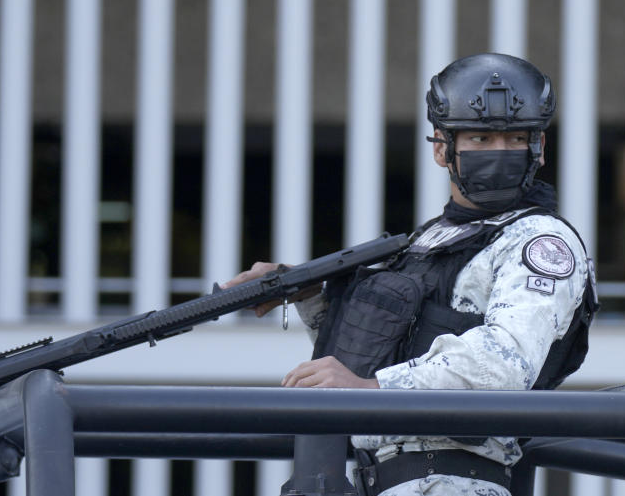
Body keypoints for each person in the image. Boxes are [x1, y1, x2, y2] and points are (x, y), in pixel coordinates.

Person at [224, 53, 598, 496]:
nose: (499, 151)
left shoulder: (540, 240)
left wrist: (375, 387)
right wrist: (304, 293)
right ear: (442, 147)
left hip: (459, 482)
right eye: (479, 138)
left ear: (539, 147)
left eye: (515, 137)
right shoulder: (429, 241)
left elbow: (505, 363)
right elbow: (372, 355)